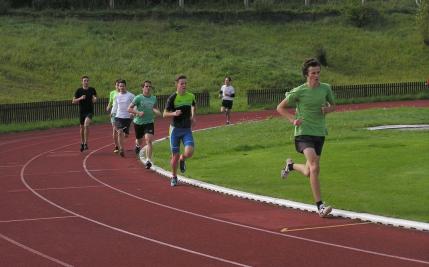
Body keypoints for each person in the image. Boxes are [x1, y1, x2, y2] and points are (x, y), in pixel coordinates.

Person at [276, 58, 336, 218]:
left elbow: (334, 106)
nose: (316, 76)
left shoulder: (326, 88)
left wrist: (327, 109)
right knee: (315, 166)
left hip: (319, 133)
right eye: (313, 73)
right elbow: (280, 108)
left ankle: (290, 166)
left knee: (309, 171)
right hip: (303, 133)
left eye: (318, 73)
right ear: (306, 74)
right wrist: (292, 120)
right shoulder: (299, 91)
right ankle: (320, 206)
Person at [163, 75, 196, 186]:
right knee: (175, 156)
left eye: (185, 83)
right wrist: (174, 113)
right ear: (177, 84)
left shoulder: (191, 96)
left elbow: (193, 105)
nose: (184, 85)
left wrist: (192, 115)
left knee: (189, 152)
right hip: (175, 130)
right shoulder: (172, 98)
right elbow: (164, 114)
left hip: (186, 129)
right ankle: (174, 176)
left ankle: (183, 158)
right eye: (182, 83)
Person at [128, 80, 162, 169]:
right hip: (138, 122)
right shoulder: (138, 98)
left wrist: (157, 112)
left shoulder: (153, 98)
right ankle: (138, 146)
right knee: (139, 140)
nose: (148, 88)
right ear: (142, 88)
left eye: (149, 86)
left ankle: (148, 160)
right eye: (146, 86)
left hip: (149, 122)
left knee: (148, 140)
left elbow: (156, 108)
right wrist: (138, 112)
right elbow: (129, 109)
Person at [72, 75, 97, 152]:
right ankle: (82, 143)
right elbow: (73, 101)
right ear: (82, 82)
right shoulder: (78, 91)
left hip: (90, 111)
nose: (86, 82)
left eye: (87, 80)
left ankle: (86, 143)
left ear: (88, 81)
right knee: (81, 127)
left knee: (86, 124)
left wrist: (95, 99)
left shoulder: (92, 90)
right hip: (82, 111)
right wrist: (80, 98)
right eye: (84, 81)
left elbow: (94, 100)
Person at [111, 79, 135, 157]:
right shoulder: (117, 96)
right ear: (118, 87)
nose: (121, 87)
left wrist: (133, 112)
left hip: (128, 117)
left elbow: (136, 105)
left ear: (125, 86)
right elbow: (115, 106)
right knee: (120, 131)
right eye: (120, 86)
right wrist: (112, 113)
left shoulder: (131, 95)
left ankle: (126, 132)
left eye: (123, 86)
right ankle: (121, 148)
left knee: (126, 135)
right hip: (118, 116)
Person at [106, 79, 120, 153]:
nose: (118, 86)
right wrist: (108, 107)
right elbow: (110, 102)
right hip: (114, 113)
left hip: (121, 114)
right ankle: (116, 146)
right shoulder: (112, 93)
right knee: (115, 129)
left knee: (120, 131)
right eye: (117, 85)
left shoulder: (123, 93)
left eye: (119, 85)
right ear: (115, 86)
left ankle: (120, 144)